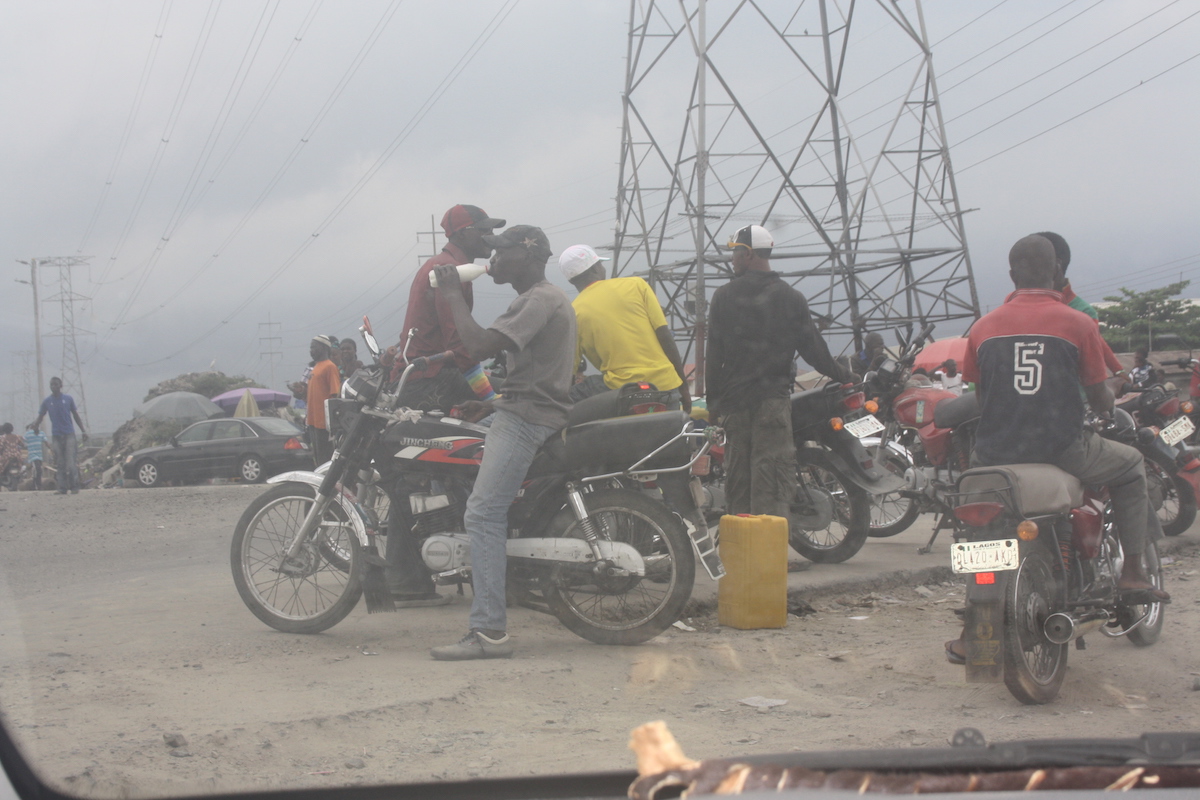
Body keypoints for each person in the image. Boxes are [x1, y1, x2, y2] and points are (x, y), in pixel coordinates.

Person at [960, 235, 1168, 609]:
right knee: (1133, 466)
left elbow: (980, 397)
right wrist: (1111, 393)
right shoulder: (1079, 322)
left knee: (981, 528)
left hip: (994, 452)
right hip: (1063, 449)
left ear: (1011, 276)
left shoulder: (981, 328)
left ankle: (977, 607)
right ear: (1057, 271)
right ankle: (1133, 572)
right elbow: (1101, 398)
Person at [424, 225, 575, 660]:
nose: (492, 260)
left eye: (500, 253)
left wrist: (452, 295)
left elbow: (477, 345)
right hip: (521, 410)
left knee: (483, 514)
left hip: (527, 420)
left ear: (526, 257)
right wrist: (493, 405)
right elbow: (534, 376)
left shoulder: (537, 301)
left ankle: (489, 631)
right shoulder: (538, 298)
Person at [706, 224, 853, 518]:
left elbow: (714, 358)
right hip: (772, 405)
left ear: (748, 254)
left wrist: (713, 406)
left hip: (735, 406)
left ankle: (741, 551)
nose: (732, 259)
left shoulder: (723, 297)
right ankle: (768, 553)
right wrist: (846, 376)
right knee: (772, 479)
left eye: (735, 253)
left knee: (738, 480)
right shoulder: (790, 298)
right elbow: (815, 351)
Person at [389, 204, 505, 412]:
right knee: (515, 401)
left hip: (427, 374)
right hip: (430, 378)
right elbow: (458, 344)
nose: (491, 237)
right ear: (461, 234)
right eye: (483, 230)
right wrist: (490, 398)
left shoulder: (448, 266)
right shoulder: (448, 272)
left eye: (491, 231)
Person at [558, 243, 691, 412]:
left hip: (620, 391)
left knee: (573, 394)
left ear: (570, 279)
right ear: (595, 268)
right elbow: (664, 335)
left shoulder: (573, 312)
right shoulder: (636, 285)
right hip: (664, 385)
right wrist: (683, 387)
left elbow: (569, 370)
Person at [30, 377, 88, 494]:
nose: (53, 387)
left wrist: (83, 430)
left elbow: (75, 415)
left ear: (60, 385)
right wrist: (35, 425)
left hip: (69, 435)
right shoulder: (47, 401)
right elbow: (41, 416)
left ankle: (74, 487)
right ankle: (62, 488)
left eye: (55, 384)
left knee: (71, 462)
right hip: (56, 435)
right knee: (60, 463)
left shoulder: (68, 399)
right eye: (51, 385)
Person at [305, 335, 341, 467]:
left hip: (324, 424)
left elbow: (335, 394)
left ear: (324, 348)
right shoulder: (316, 367)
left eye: (313, 347)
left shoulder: (330, 367)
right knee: (318, 458)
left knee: (326, 458)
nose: (311, 350)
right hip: (313, 422)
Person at [23, 424, 49, 490]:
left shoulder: (41, 433)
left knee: (37, 470)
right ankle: (38, 485)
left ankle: (35, 484)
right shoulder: (28, 434)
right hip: (32, 455)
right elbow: (23, 440)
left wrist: (51, 449)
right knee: (38, 469)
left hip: (40, 455)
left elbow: (46, 442)